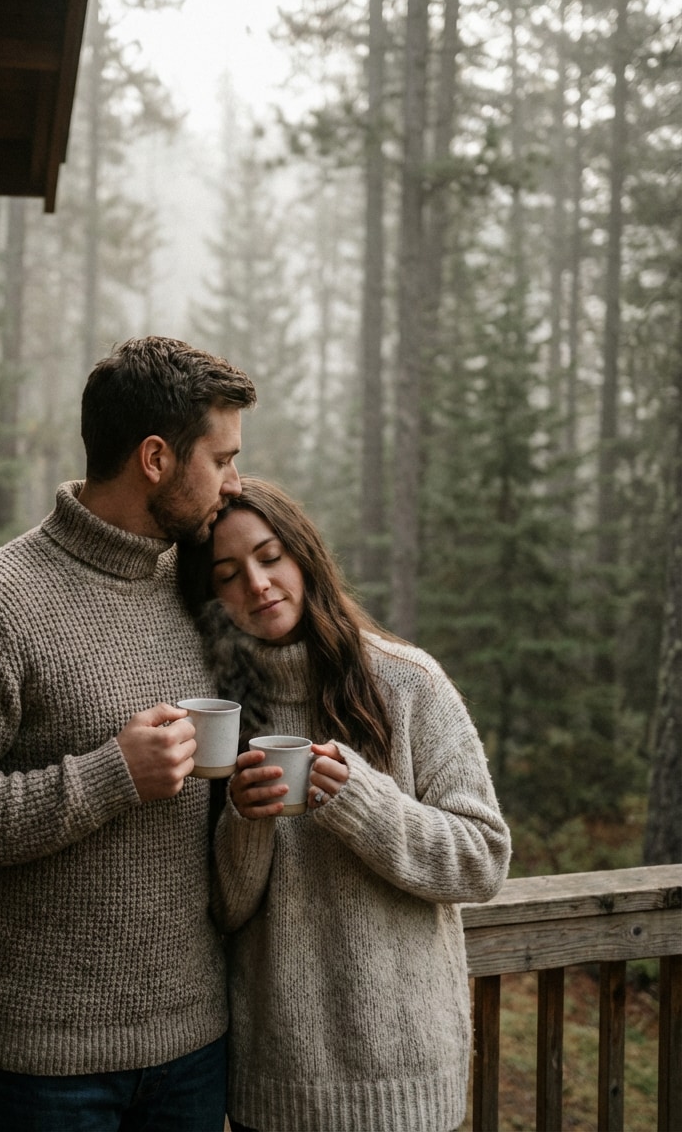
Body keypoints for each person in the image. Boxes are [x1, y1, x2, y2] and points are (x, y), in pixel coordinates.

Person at [0, 336, 257, 1132]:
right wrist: (108, 776)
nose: (236, 482)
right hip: (43, 1064)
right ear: (155, 457)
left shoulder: (196, 583)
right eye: (221, 460)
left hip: (194, 1044)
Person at [177, 477, 511, 1132]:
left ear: (304, 556)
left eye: (270, 557)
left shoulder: (406, 681)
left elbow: (482, 861)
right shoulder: (219, 708)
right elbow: (226, 910)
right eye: (229, 574)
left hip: (408, 1085)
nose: (258, 584)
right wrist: (247, 820)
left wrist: (360, 800)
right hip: (275, 1089)